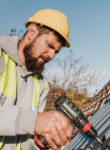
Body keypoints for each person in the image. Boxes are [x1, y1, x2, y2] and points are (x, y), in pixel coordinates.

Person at [0, 9, 72, 150]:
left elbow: (24, 143)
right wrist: (33, 121)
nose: (52, 55)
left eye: (55, 51)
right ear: (32, 32)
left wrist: (44, 141)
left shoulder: (41, 84)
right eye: (50, 45)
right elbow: (30, 122)